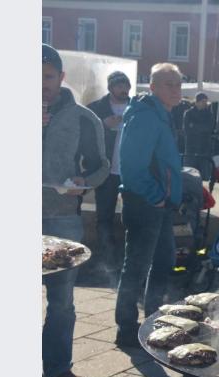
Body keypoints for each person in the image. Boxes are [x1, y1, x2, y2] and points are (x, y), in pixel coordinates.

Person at [42, 44, 110, 377]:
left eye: (48, 77)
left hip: (62, 219)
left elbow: (102, 166)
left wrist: (85, 182)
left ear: (61, 77)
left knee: (62, 301)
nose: (41, 85)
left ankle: (57, 368)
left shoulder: (85, 118)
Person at [114, 63, 184, 347]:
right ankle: (127, 329)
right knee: (137, 267)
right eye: (169, 84)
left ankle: (152, 317)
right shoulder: (146, 115)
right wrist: (156, 196)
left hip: (159, 204)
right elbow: (131, 167)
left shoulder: (161, 114)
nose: (176, 90)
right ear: (152, 87)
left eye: (178, 84)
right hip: (146, 203)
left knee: (164, 260)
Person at [87, 71, 131, 275]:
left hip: (132, 172)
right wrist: (104, 125)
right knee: (104, 216)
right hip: (105, 172)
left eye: (126, 86)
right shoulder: (97, 109)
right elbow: (83, 135)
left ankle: (129, 258)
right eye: (120, 86)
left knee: (132, 215)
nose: (124, 89)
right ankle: (107, 260)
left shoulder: (137, 107)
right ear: (111, 87)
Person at [183, 92, 216, 179]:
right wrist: (201, 127)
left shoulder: (209, 114)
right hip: (191, 148)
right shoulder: (188, 113)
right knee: (188, 174)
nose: (205, 103)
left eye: (206, 101)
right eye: (203, 101)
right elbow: (187, 130)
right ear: (197, 101)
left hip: (204, 148)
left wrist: (194, 126)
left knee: (204, 175)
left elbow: (209, 128)